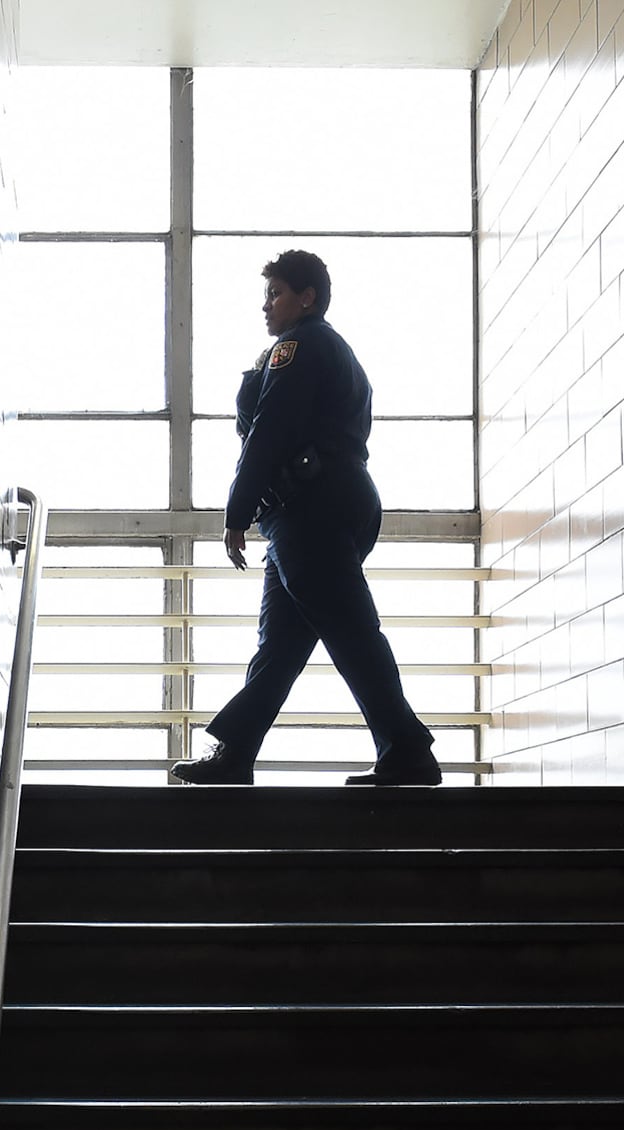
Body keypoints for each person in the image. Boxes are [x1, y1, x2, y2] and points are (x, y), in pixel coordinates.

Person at [170, 250, 440, 788]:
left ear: (306, 296)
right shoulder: (333, 350)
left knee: (351, 632)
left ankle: (408, 750)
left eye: (275, 293)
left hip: (310, 509)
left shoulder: (298, 346)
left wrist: (236, 512)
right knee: (281, 645)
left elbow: (267, 429)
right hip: (318, 507)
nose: (265, 306)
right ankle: (236, 751)